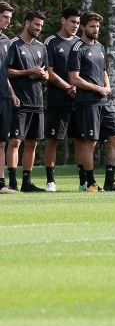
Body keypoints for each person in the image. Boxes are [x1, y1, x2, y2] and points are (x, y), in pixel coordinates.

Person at [68, 11, 115, 191]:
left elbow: (103, 71)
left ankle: (110, 182)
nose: (96, 29)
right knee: (90, 141)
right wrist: (98, 88)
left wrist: (107, 86)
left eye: (97, 27)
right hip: (86, 102)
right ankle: (91, 183)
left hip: (103, 102)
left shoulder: (100, 47)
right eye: (92, 26)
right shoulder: (77, 48)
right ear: (83, 27)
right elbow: (74, 79)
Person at [6, 10, 49, 192]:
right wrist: (30, 71)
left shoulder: (41, 47)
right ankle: (13, 182)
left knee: (32, 143)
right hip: (19, 101)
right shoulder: (14, 44)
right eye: (36, 25)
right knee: (16, 141)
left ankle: (27, 182)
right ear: (27, 23)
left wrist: (43, 74)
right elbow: (7, 72)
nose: (38, 28)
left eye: (41, 26)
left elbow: (46, 73)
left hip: (37, 102)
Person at [43, 7, 81, 192]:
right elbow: (48, 72)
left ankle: (84, 182)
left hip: (79, 101)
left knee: (81, 140)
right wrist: (67, 86)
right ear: (63, 20)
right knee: (53, 139)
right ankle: (50, 181)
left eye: (78, 22)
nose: (75, 26)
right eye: (72, 21)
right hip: (58, 100)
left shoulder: (80, 43)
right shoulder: (50, 42)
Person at [0, 1, 19, 194]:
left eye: (10, 18)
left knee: (2, 142)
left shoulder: (6, 41)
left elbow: (4, 73)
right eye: (5, 17)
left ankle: (0, 184)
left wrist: (12, 93)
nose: (8, 21)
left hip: (4, 97)